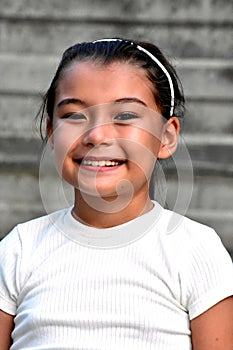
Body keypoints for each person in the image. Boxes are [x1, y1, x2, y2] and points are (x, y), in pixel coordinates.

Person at [0, 38, 232, 350]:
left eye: (124, 116)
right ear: (52, 134)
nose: (96, 135)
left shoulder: (195, 251)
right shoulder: (20, 249)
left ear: (166, 136)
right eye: (74, 115)